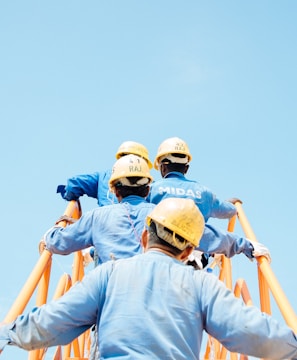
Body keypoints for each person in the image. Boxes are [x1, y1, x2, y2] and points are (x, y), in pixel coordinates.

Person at [0, 198, 296, 359]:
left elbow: (53, 322)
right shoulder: (203, 284)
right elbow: (247, 329)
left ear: (145, 235)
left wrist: (7, 334)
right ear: (189, 250)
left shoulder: (108, 274)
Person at [147, 136, 237, 222]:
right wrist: (232, 205)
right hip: (196, 238)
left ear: (162, 167)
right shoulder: (204, 193)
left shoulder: (151, 190)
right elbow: (229, 211)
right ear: (186, 168)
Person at [57, 140, 153, 207]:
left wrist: (70, 197)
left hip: (104, 227)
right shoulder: (150, 185)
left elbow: (74, 184)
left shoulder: (103, 177)